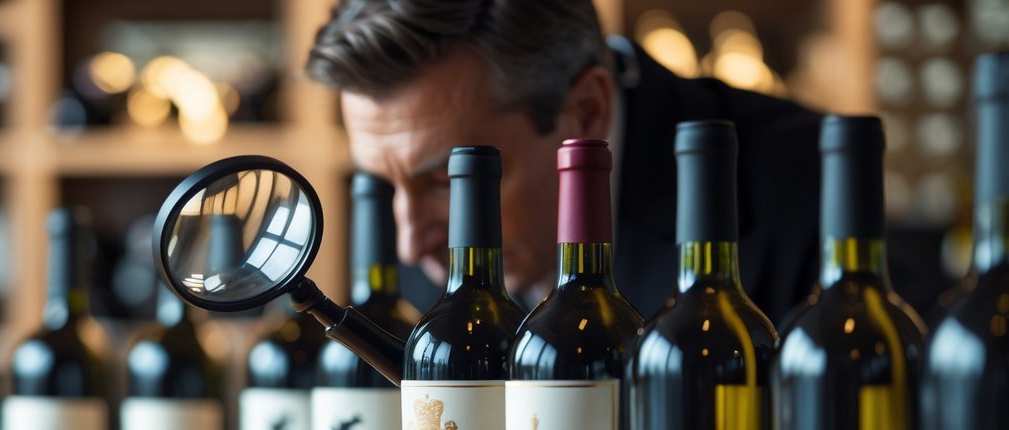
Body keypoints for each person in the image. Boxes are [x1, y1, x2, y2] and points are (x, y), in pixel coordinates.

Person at [305, 0, 822, 323]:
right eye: (381, 185)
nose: (410, 244)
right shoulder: (419, 248)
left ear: (586, 111)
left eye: (448, 182)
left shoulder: (807, 185)